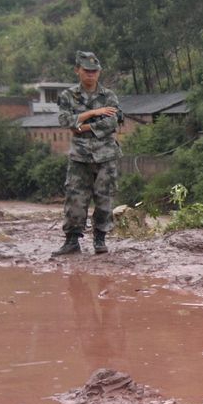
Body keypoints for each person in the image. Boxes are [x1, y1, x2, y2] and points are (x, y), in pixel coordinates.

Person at [52, 51, 124, 257]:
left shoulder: (109, 96)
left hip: (106, 156)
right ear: (77, 70)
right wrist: (94, 113)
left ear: (99, 72)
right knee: (75, 198)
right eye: (86, 70)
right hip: (79, 157)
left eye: (94, 71)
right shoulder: (68, 95)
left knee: (104, 199)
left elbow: (112, 122)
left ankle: (100, 239)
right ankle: (72, 241)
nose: (91, 74)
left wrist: (81, 126)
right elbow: (65, 121)